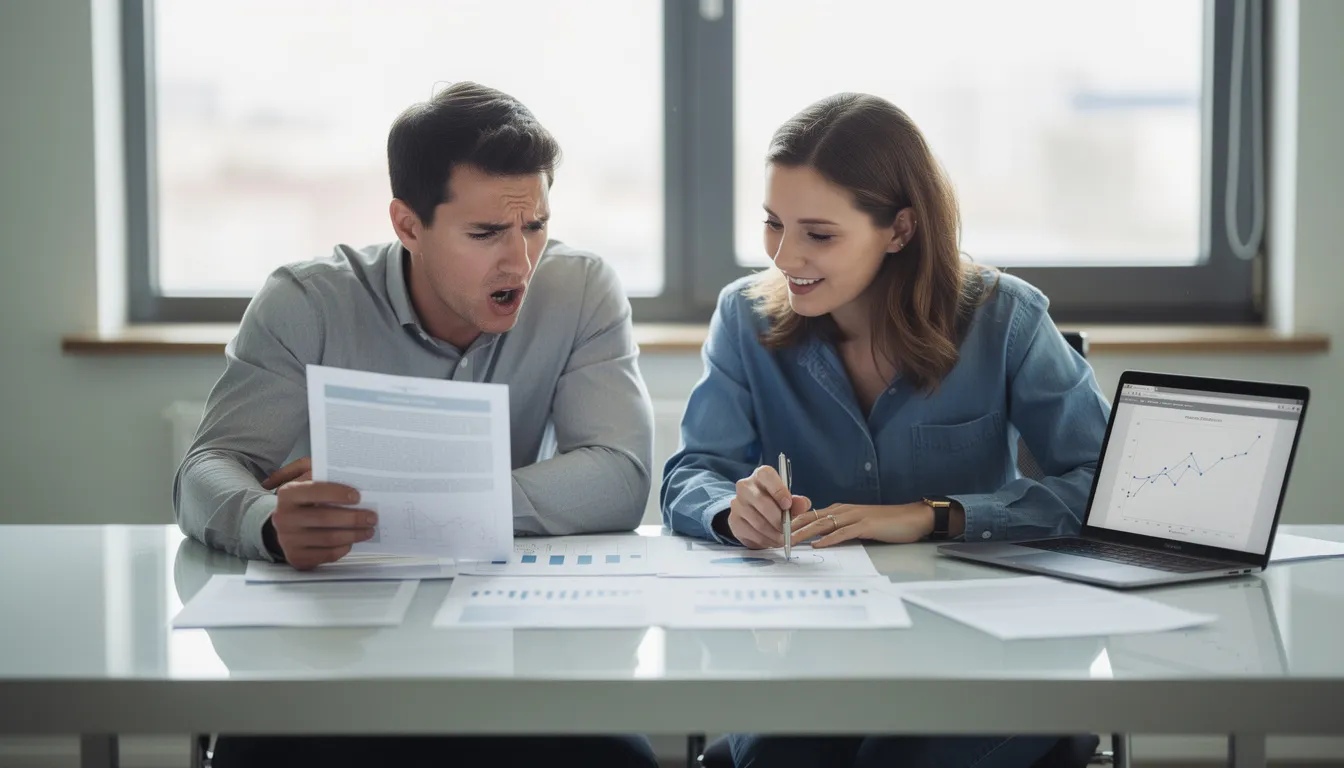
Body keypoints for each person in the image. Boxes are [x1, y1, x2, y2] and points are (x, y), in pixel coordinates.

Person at [174, 81, 657, 768]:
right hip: (338, 651)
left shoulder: (580, 291)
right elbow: (206, 467)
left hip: (512, 646)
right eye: (486, 233)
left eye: (536, 226)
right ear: (407, 225)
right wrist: (268, 522)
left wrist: (407, 498)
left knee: (620, 759)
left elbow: (620, 477)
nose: (519, 262)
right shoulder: (307, 301)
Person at [661, 92, 1110, 767]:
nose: (784, 257)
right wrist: (730, 510)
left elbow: (1106, 488)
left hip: (982, 650)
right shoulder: (743, 319)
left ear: (898, 230)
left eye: (818, 233)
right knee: (781, 757)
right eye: (772, 224)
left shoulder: (1005, 318)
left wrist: (933, 517)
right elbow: (691, 471)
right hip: (811, 647)